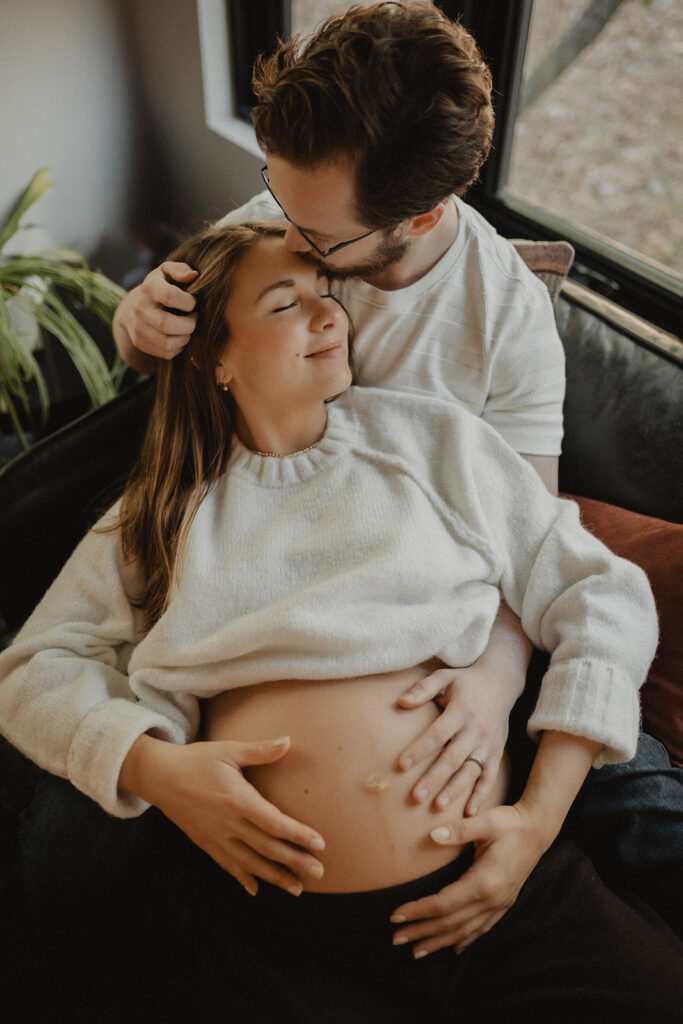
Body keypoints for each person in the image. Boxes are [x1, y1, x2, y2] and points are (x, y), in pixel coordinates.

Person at [1, 223, 681, 1024]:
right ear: (214, 358)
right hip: (279, 935)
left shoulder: (434, 443)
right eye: (288, 303)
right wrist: (153, 770)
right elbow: (33, 667)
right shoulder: (161, 513)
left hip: (506, 894)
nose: (330, 317)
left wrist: (537, 820)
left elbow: (600, 593)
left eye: (328, 296)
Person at [111, 1, 683, 933]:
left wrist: (499, 680)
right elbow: (186, 371)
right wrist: (139, 331)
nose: (287, 240)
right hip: (264, 556)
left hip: (442, 601)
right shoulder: (282, 216)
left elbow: (528, 538)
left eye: (320, 241)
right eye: (275, 197)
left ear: (419, 215)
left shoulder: (505, 322)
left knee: (644, 820)